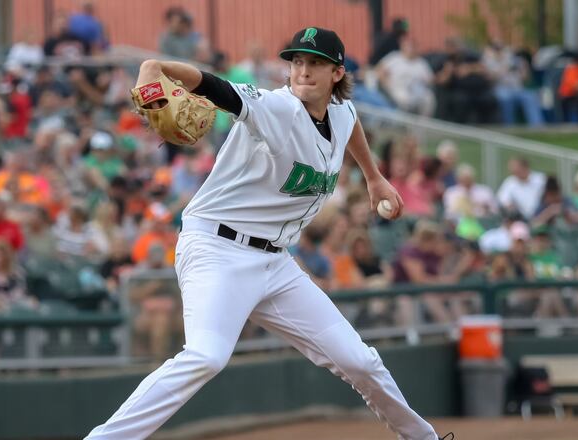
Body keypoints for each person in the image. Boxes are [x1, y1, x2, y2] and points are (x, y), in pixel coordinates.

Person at [85, 27, 445, 440]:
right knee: (206, 356)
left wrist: (374, 177)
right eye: (297, 62)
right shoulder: (277, 107)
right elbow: (215, 87)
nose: (303, 71)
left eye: (315, 63)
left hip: (275, 262)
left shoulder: (341, 112)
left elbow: (350, 123)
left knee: (361, 361)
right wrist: (156, 67)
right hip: (217, 248)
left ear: (337, 72)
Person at [376, 38, 435, 116]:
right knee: (404, 99)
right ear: (403, 47)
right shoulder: (395, 57)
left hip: (415, 90)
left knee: (429, 98)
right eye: (408, 46)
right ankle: (404, 124)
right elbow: (379, 69)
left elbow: (430, 79)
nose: (411, 49)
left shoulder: (421, 63)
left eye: (413, 47)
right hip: (397, 87)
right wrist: (385, 82)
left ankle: (422, 126)